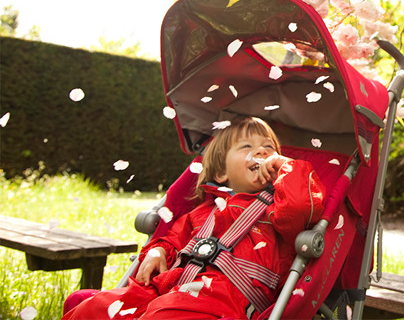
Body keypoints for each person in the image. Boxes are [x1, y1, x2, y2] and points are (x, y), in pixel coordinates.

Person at [63, 117, 326, 320]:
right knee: (94, 308)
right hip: (171, 288)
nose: (261, 153)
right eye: (247, 147)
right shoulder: (202, 212)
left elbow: (301, 206)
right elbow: (172, 239)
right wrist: (156, 252)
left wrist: (286, 167)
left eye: (269, 148)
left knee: (167, 313)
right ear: (221, 172)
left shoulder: (277, 211)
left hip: (222, 301)